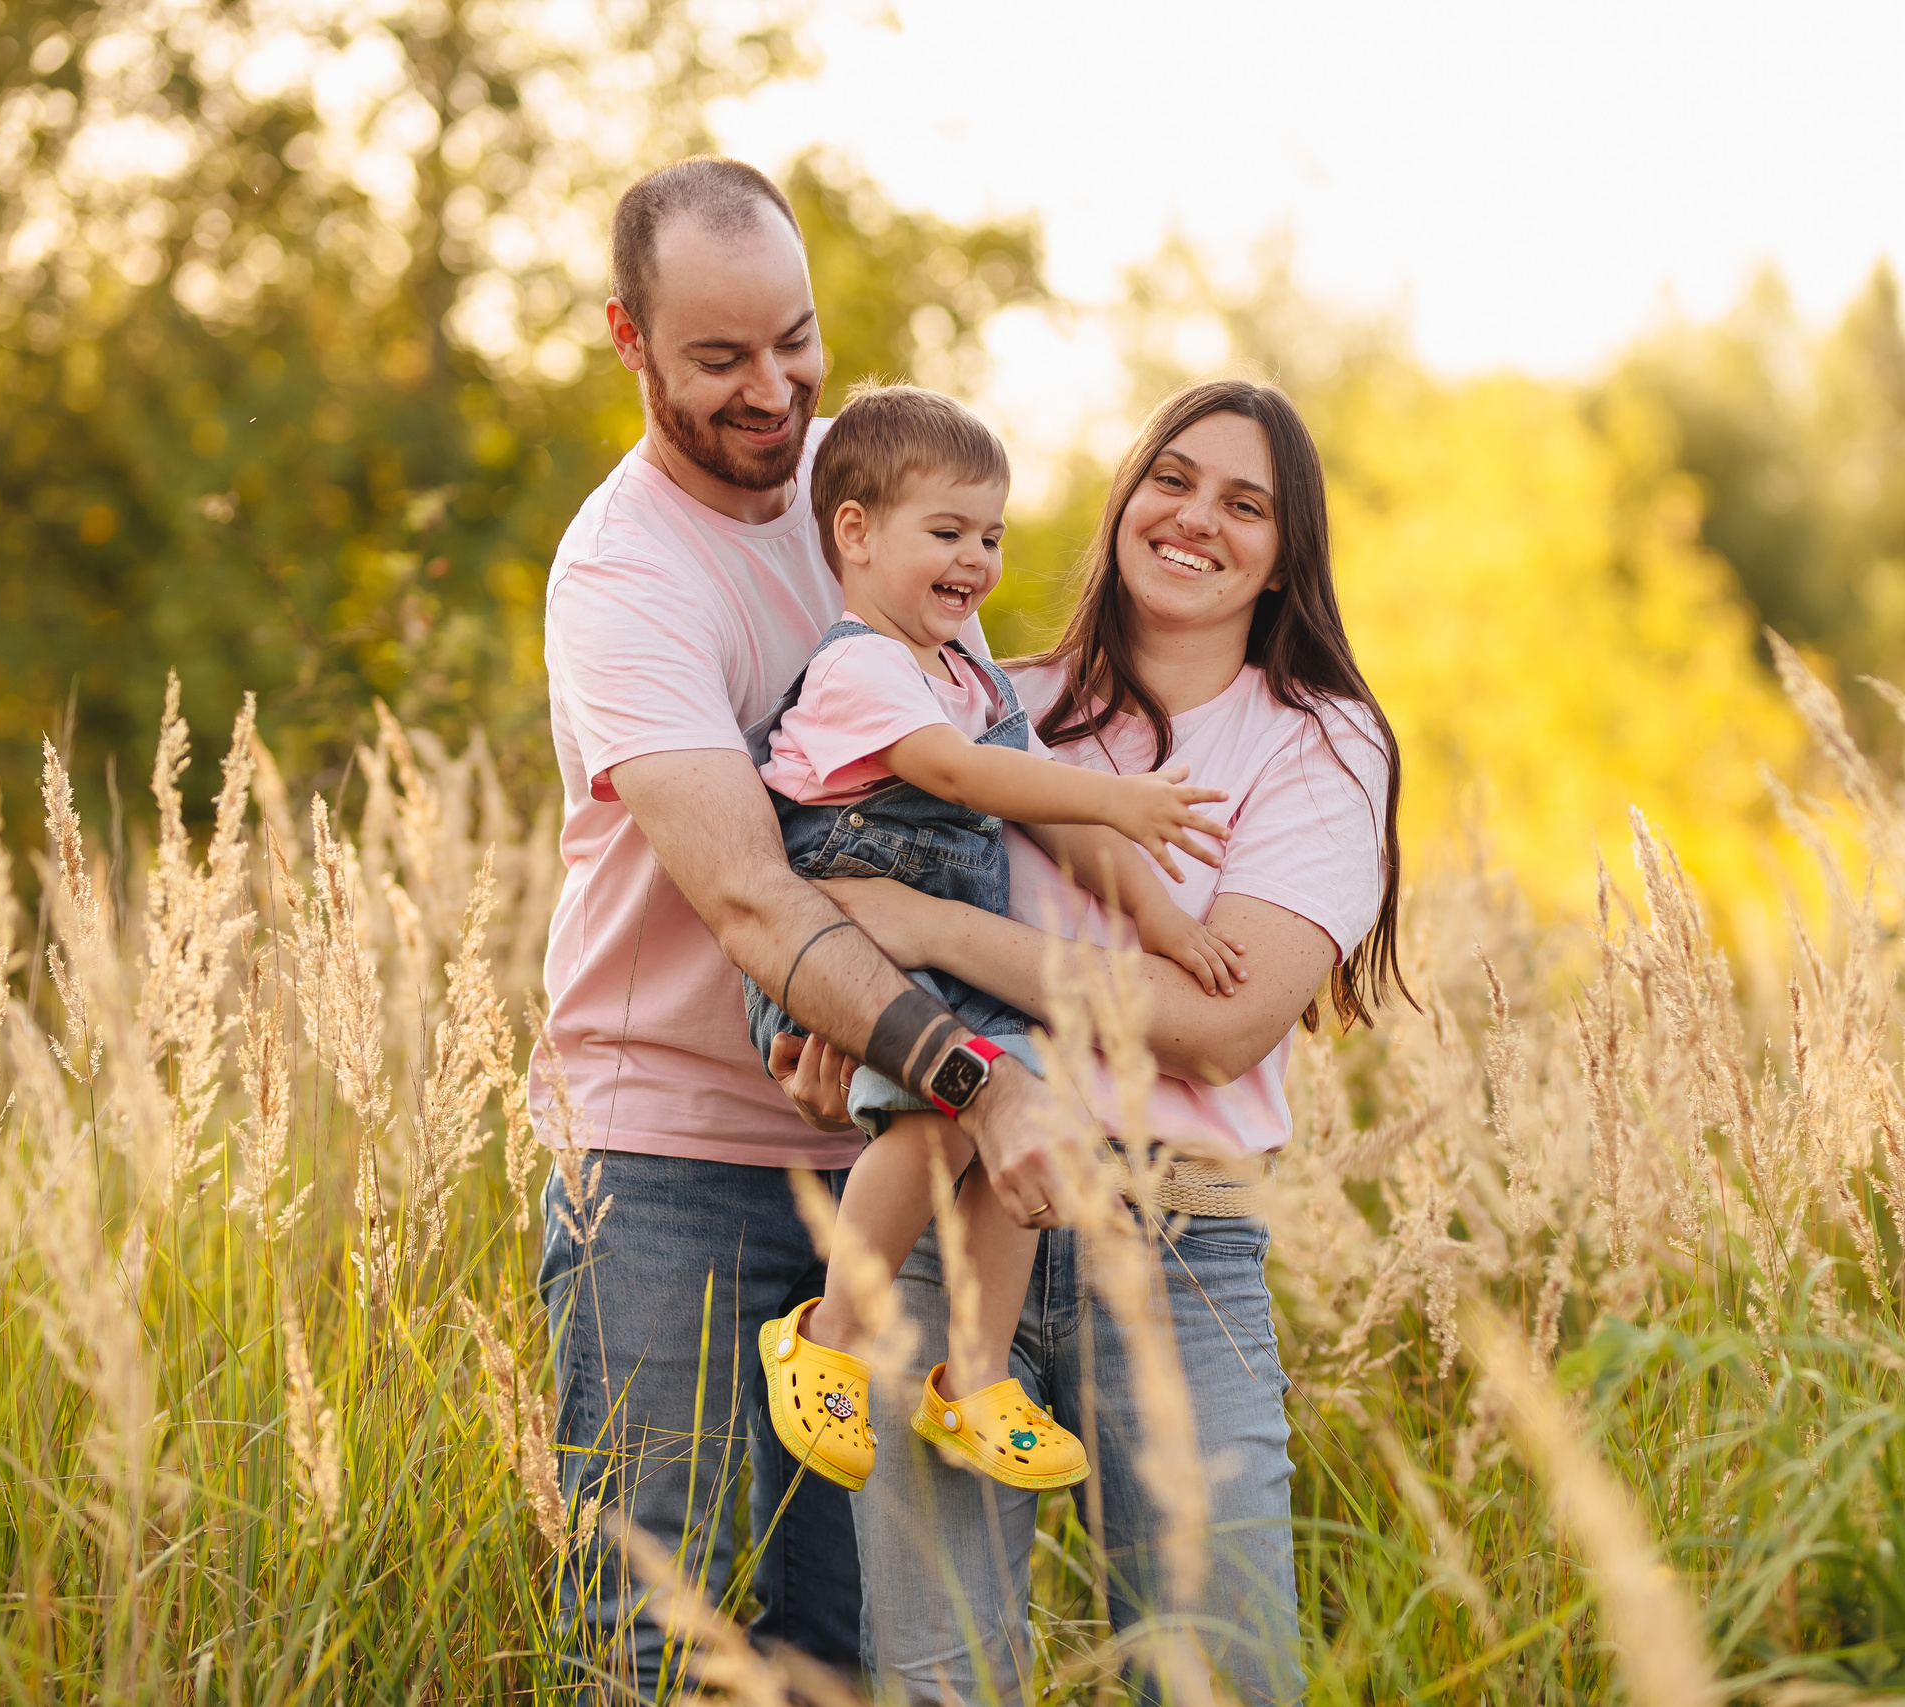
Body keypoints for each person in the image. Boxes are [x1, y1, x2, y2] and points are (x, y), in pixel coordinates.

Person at [531, 156, 1078, 1698]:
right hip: (663, 1167)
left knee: (842, 1646)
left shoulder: (873, 479)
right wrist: (981, 1073)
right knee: (666, 1632)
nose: (775, 390)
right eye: (720, 358)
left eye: (796, 338)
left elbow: (983, 741)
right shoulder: (623, 574)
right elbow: (756, 898)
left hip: (873, 1158)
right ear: (629, 337)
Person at [816, 378, 1407, 1705]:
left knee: (1221, 1675)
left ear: (1284, 551)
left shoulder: (1315, 741)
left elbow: (1215, 1024)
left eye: (1246, 504)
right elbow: (831, 896)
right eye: (1173, 478)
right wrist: (834, 1000)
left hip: (1172, 1241)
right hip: (946, 1223)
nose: (1198, 517)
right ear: (1125, 499)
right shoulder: (977, 701)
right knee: (940, 1683)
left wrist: (938, 932)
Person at [739, 382, 1245, 1501]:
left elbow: (1045, 817)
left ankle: (972, 1378)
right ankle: (827, 1333)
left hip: (946, 952)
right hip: (858, 945)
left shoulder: (966, 672)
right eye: (947, 531)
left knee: (1032, 1126)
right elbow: (960, 778)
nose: (975, 559)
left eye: (992, 536)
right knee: (936, 1115)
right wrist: (1119, 799)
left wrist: (1161, 919)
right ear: (856, 534)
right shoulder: (862, 666)